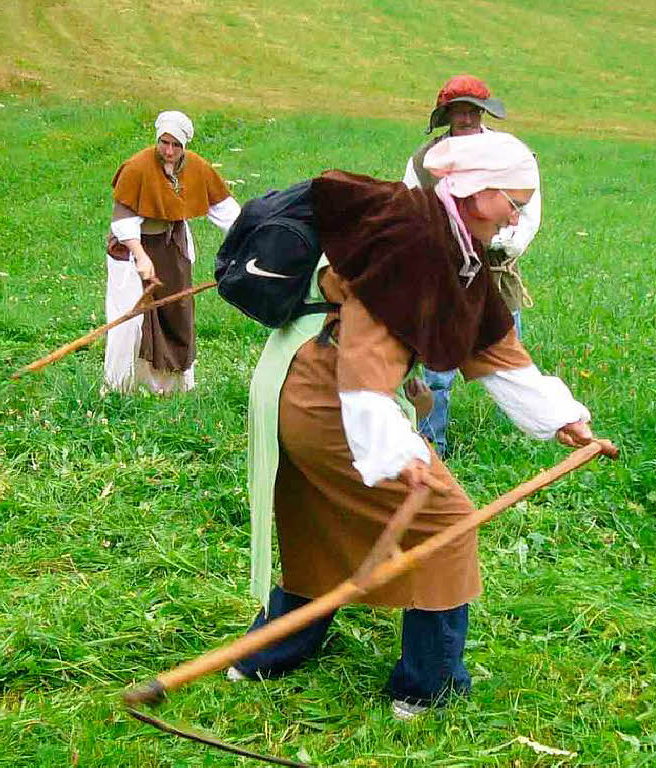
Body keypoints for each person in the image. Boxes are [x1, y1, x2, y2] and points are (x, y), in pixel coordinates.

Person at [227, 131, 591, 721]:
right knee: (445, 524)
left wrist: (563, 419)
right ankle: (427, 685)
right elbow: (367, 359)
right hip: (328, 396)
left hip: (316, 385)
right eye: (513, 203)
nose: (517, 217)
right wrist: (399, 450)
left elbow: (487, 342)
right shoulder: (416, 238)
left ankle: (267, 654)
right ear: (478, 191)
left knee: (318, 519)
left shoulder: (451, 239)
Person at [402, 75, 542, 456]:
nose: (465, 118)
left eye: (471, 110)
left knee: (508, 351)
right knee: (437, 364)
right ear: (446, 115)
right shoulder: (425, 160)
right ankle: (432, 442)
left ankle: (518, 437)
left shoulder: (510, 154)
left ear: (482, 112)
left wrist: (498, 244)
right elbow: (411, 206)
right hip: (445, 275)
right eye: (457, 111)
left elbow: (526, 211)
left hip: (497, 271)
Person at [103, 110, 240, 394]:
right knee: (133, 321)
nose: (169, 150)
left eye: (175, 145)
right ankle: (123, 386)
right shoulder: (137, 167)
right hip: (132, 253)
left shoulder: (196, 168)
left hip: (172, 250)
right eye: (164, 142)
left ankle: (170, 387)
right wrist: (141, 257)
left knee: (176, 315)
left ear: (184, 145)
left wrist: (247, 239)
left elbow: (226, 211)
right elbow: (124, 219)